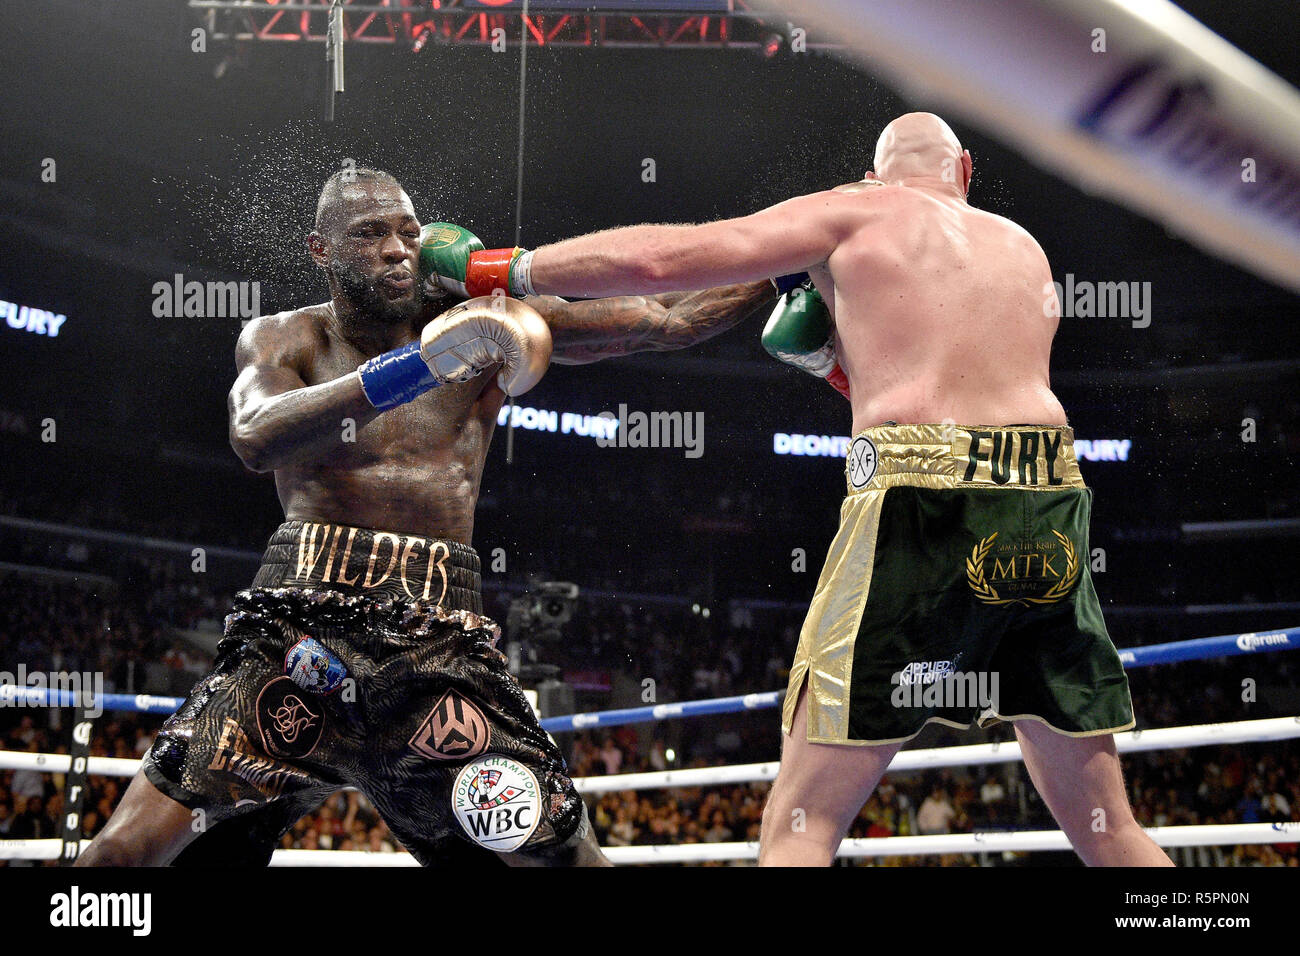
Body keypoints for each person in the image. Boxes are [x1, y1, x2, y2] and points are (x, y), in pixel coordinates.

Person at [437, 112, 1172, 867]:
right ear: (968, 169)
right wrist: (832, 362)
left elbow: (666, 263)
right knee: (1106, 826)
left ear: (876, 173)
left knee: (803, 820)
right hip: (1048, 496)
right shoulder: (1024, 249)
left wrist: (500, 270)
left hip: (919, 499)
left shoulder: (853, 209)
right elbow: (955, 389)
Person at [76, 167, 776, 867]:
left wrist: (790, 261)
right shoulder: (287, 338)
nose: (396, 248)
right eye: (371, 233)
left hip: (438, 649)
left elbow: (667, 319)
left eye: (408, 232)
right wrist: (418, 366)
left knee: (569, 861)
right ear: (321, 250)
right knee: (121, 856)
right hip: (294, 640)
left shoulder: (481, 322)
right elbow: (256, 434)